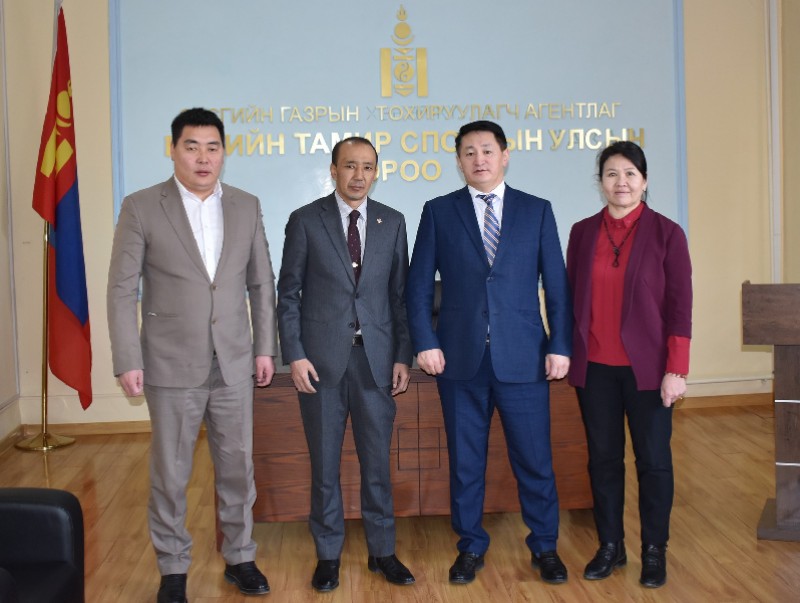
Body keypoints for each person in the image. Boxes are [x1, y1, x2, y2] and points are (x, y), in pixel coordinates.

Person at [107, 108, 276, 603]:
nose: (203, 157)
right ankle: (173, 567)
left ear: (224, 152)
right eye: (192, 147)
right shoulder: (141, 206)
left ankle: (240, 557)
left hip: (234, 361)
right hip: (169, 362)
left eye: (212, 147)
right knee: (171, 472)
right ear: (173, 150)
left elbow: (261, 284)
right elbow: (122, 289)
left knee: (237, 466)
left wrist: (265, 348)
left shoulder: (246, 205)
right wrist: (127, 357)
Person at [405, 120, 573, 585]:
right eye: (468, 152)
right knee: (466, 462)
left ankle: (545, 546)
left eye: (486, 150)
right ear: (459, 161)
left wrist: (560, 344)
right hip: (459, 360)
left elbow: (557, 285)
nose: (478, 159)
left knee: (535, 460)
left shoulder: (536, 211)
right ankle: (470, 545)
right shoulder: (439, 211)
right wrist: (425, 340)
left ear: (505, 155)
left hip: (524, 358)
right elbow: (418, 287)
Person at [276, 137, 415, 592]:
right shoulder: (305, 220)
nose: (359, 175)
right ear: (333, 170)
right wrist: (294, 354)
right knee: (324, 466)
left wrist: (402, 355)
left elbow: (399, 297)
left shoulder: (393, 221)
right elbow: (288, 294)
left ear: (377, 171)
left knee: (377, 465)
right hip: (320, 364)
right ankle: (328, 555)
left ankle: (382, 551)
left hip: (376, 362)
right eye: (350, 166)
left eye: (368, 167)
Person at [566, 141, 692, 589]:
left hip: (649, 371)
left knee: (653, 462)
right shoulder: (582, 232)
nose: (621, 182)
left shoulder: (667, 234)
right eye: (612, 174)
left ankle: (654, 550)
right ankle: (610, 545)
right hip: (595, 369)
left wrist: (676, 369)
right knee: (603, 461)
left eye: (630, 174)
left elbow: (680, 306)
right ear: (600, 182)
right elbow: (570, 300)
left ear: (644, 180)